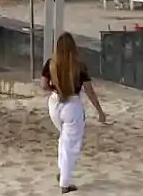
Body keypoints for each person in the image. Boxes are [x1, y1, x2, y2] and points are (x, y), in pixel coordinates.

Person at [41, 32, 108, 193]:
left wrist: (56, 88)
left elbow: (43, 86)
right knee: (70, 145)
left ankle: (62, 171)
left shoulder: (50, 63)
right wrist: (100, 111)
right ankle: (65, 183)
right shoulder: (79, 66)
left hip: (55, 103)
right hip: (72, 105)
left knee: (64, 140)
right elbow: (90, 91)